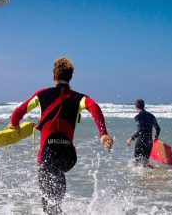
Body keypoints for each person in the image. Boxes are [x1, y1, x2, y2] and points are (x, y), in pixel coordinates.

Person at [8, 57, 113, 214]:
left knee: (49, 203)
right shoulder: (80, 98)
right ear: (70, 77)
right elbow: (94, 107)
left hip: (48, 154)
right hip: (68, 157)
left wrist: (15, 126)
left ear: (53, 76)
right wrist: (103, 134)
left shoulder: (42, 94)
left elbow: (17, 113)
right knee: (56, 192)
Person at [126, 99, 160, 167]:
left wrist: (131, 138)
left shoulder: (137, 117)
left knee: (136, 161)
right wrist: (156, 137)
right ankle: (149, 175)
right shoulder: (151, 116)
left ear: (136, 106)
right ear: (144, 106)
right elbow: (158, 129)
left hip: (141, 141)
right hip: (149, 142)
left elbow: (140, 130)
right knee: (145, 162)